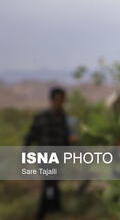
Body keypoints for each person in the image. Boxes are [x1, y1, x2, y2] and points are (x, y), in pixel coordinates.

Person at [24, 87, 70, 220]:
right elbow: (29, 137)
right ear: (51, 100)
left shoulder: (63, 117)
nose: (60, 103)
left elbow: (65, 139)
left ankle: (54, 208)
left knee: (53, 183)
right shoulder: (41, 117)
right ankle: (44, 213)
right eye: (57, 100)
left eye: (62, 100)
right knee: (50, 184)